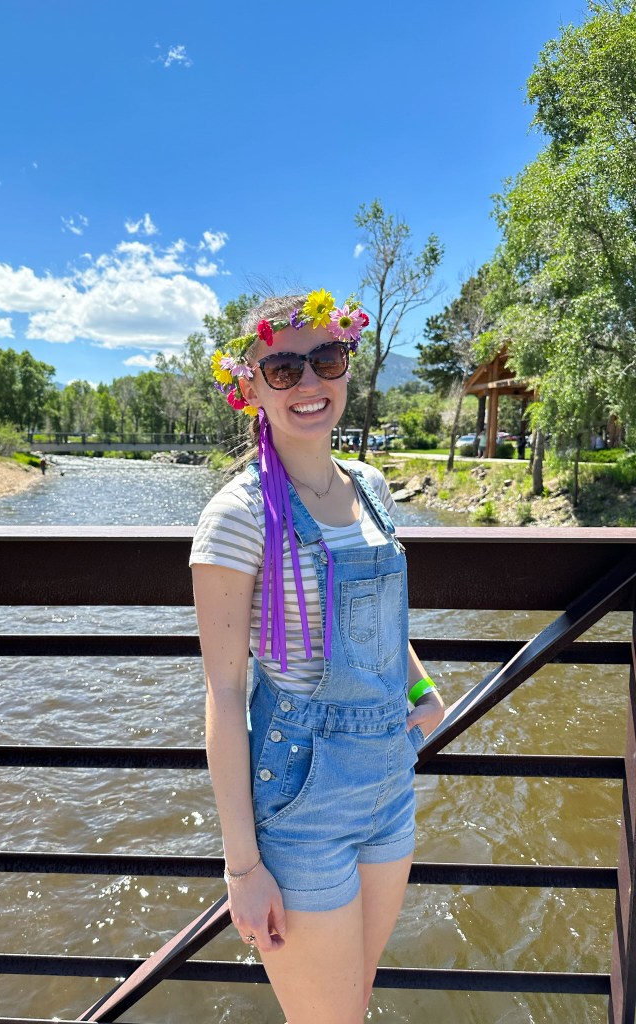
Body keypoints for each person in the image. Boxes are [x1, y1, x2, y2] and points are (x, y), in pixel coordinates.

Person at [190, 291, 445, 1024]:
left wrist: (424, 692)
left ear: (347, 367)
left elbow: (383, 623)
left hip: (389, 781)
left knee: (354, 1002)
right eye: (283, 367)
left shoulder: (370, 487)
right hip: (302, 802)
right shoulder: (236, 517)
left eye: (326, 359)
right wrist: (243, 867)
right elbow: (224, 692)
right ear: (250, 388)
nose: (309, 383)